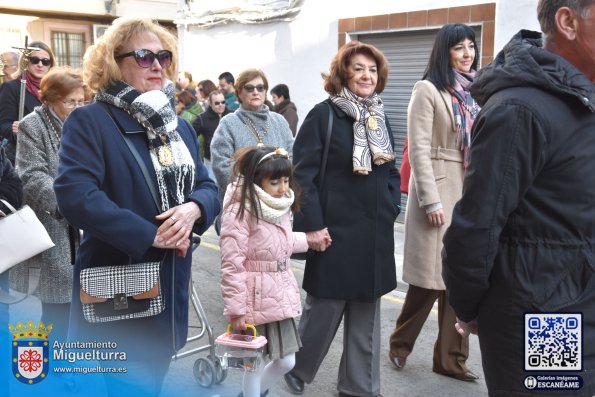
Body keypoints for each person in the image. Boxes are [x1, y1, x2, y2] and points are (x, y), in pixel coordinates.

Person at [53, 18, 219, 396]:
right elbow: (76, 195)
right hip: (121, 286)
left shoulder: (178, 127)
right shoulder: (90, 120)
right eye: (144, 56)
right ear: (114, 62)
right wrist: (151, 234)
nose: (158, 64)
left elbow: (208, 185)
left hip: (172, 282)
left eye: (164, 56)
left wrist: (193, 209)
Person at [442, 1, 595, 395]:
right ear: (568, 21)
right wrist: (470, 306)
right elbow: (476, 227)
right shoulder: (521, 111)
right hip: (548, 314)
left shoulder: (583, 104)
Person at [284, 40, 401, 397]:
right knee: (324, 307)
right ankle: (296, 369)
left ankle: (359, 387)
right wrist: (314, 225)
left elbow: (391, 169)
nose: (367, 75)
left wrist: (391, 203)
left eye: (372, 69)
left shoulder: (378, 115)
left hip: (375, 232)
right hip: (334, 230)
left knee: (367, 313)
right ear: (343, 74)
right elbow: (301, 176)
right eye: (359, 68)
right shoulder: (324, 115)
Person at [387, 23, 481, 382]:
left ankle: (451, 360)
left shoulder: (475, 92)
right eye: (459, 47)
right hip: (438, 192)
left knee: (461, 279)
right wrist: (428, 200)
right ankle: (400, 344)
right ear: (445, 52)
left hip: (468, 193)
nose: (467, 53)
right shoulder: (427, 89)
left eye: (470, 46)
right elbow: (420, 150)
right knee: (428, 281)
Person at [220, 145, 331, 397]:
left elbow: (278, 242)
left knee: (287, 361)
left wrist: (309, 240)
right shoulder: (239, 209)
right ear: (255, 181)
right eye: (275, 182)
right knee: (254, 365)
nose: (283, 188)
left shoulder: (278, 205)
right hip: (253, 299)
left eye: (285, 180)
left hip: (278, 294)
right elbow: (231, 263)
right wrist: (236, 310)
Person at [10, 67, 89, 342]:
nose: (78, 107)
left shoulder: (84, 123)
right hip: (56, 225)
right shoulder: (34, 125)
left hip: (88, 224)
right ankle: (51, 366)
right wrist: (69, 204)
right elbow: (31, 175)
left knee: (85, 304)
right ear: (50, 99)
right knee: (59, 307)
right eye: (70, 101)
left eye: (82, 101)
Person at [211, 68, 294, 209]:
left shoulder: (279, 121)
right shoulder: (229, 123)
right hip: (242, 209)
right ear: (239, 93)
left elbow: (292, 156)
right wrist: (255, 193)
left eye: (260, 87)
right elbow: (222, 167)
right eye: (249, 88)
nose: (256, 92)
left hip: (277, 207)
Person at [0, 42, 55, 165]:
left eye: (45, 61)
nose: (40, 65)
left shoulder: (55, 90)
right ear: (25, 62)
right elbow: (3, 125)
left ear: (50, 65)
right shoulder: (11, 87)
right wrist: (16, 130)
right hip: (23, 157)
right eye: (34, 60)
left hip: (53, 157)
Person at [192, 90, 229, 178]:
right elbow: (191, 136)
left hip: (230, 161)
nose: (221, 105)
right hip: (210, 161)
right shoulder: (202, 119)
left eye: (223, 102)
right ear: (210, 103)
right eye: (217, 103)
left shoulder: (232, 115)